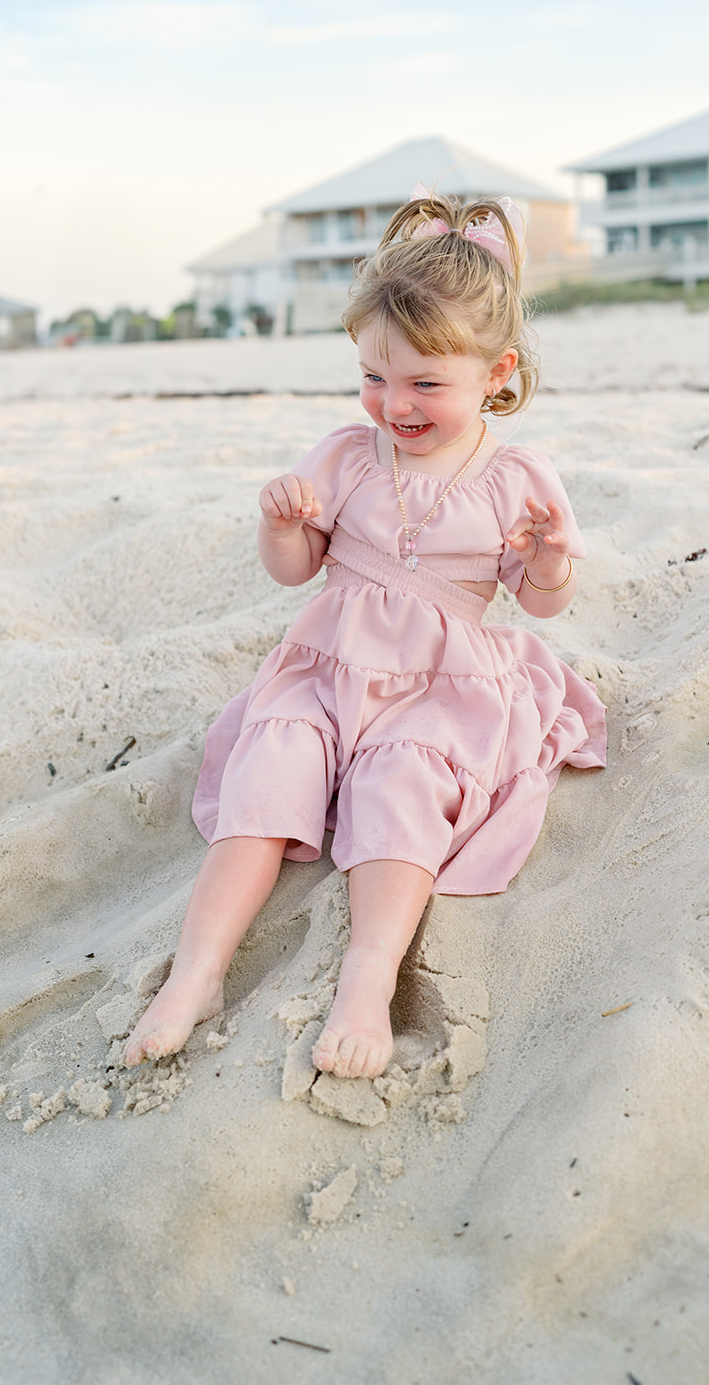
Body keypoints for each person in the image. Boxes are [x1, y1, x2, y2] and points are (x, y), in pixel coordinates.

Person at [124, 190, 606, 1080]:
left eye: (426, 384)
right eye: (374, 378)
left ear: (495, 372)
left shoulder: (514, 477)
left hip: (439, 683)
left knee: (402, 782)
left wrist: (546, 562)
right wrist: (281, 526)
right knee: (271, 762)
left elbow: (541, 603)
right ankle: (198, 969)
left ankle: (368, 976)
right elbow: (297, 568)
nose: (395, 404)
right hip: (327, 667)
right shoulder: (348, 454)